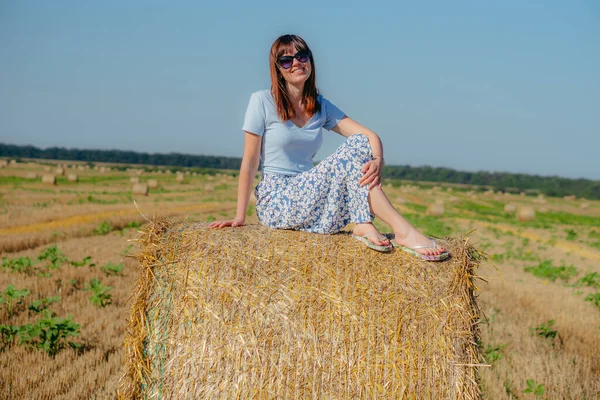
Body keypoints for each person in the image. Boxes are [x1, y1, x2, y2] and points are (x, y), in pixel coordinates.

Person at [210, 34, 448, 261]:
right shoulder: (261, 101)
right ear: (277, 68)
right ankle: (397, 230)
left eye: (302, 56)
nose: (296, 63)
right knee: (351, 154)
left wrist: (377, 160)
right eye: (286, 60)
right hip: (279, 199)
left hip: (313, 197)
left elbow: (369, 136)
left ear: (310, 60)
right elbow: (250, 161)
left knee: (359, 144)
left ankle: (365, 224)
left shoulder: (319, 105)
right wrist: (240, 216)